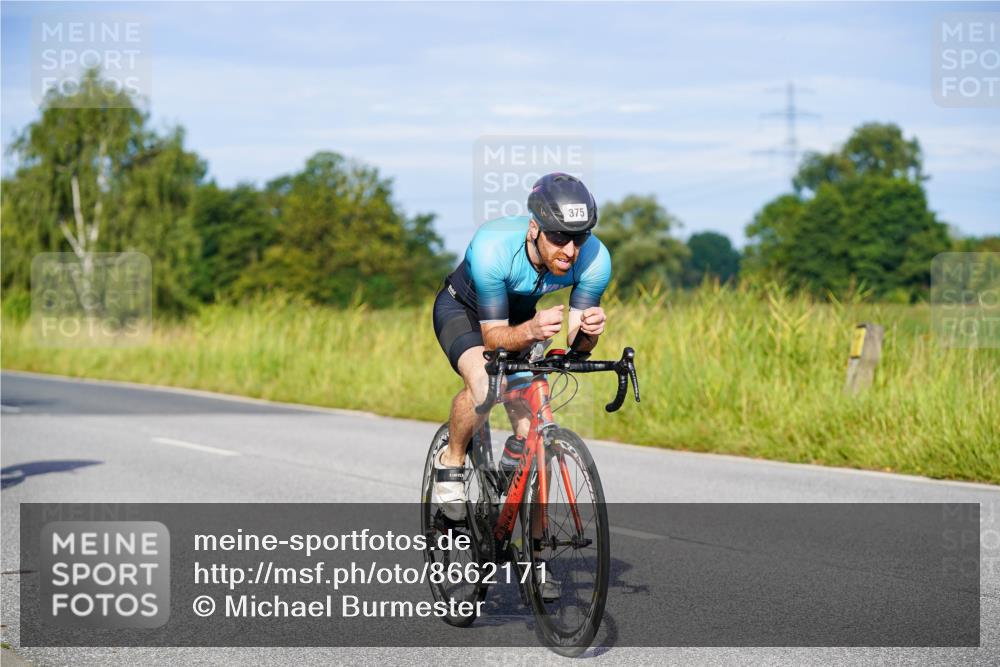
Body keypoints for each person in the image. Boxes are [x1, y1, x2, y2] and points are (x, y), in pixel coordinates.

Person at [431, 173, 611, 521]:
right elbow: (494, 337)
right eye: (559, 238)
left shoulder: (595, 259)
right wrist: (530, 329)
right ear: (534, 229)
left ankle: (511, 478)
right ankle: (450, 461)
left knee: (532, 427)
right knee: (485, 383)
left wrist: (589, 332)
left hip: (521, 320)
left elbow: (578, 345)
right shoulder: (493, 247)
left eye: (579, 237)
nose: (570, 251)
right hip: (465, 313)